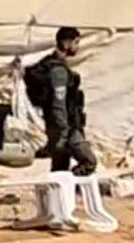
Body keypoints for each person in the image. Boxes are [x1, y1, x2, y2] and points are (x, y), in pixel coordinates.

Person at [29, 26, 97, 175]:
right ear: (66, 43)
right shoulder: (58, 71)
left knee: (60, 167)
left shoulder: (53, 65)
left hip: (58, 127)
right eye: (76, 42)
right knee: (89, 162)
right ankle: (71, 183)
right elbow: (58, 104)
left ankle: (59, 188)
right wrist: (64, 133)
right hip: (66, 128)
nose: (77, 47)